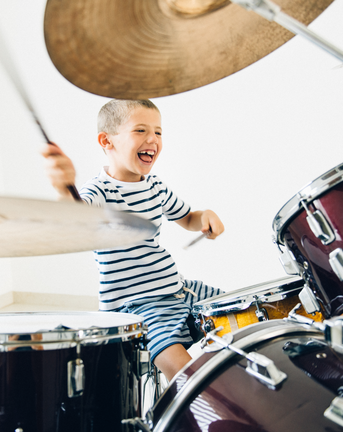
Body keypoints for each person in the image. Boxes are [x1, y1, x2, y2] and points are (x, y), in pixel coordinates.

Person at [40, 99, 225, 381]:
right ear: (107, 140)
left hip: (180, 289)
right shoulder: (100, 192)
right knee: (189, 374)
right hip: (137, 306)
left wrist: (205, 217)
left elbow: (187, 218)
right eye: (140, 130)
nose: (153, 139)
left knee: (248, 320)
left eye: (158, 132)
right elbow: (76, 216)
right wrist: (65, 187)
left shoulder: (155, 186)